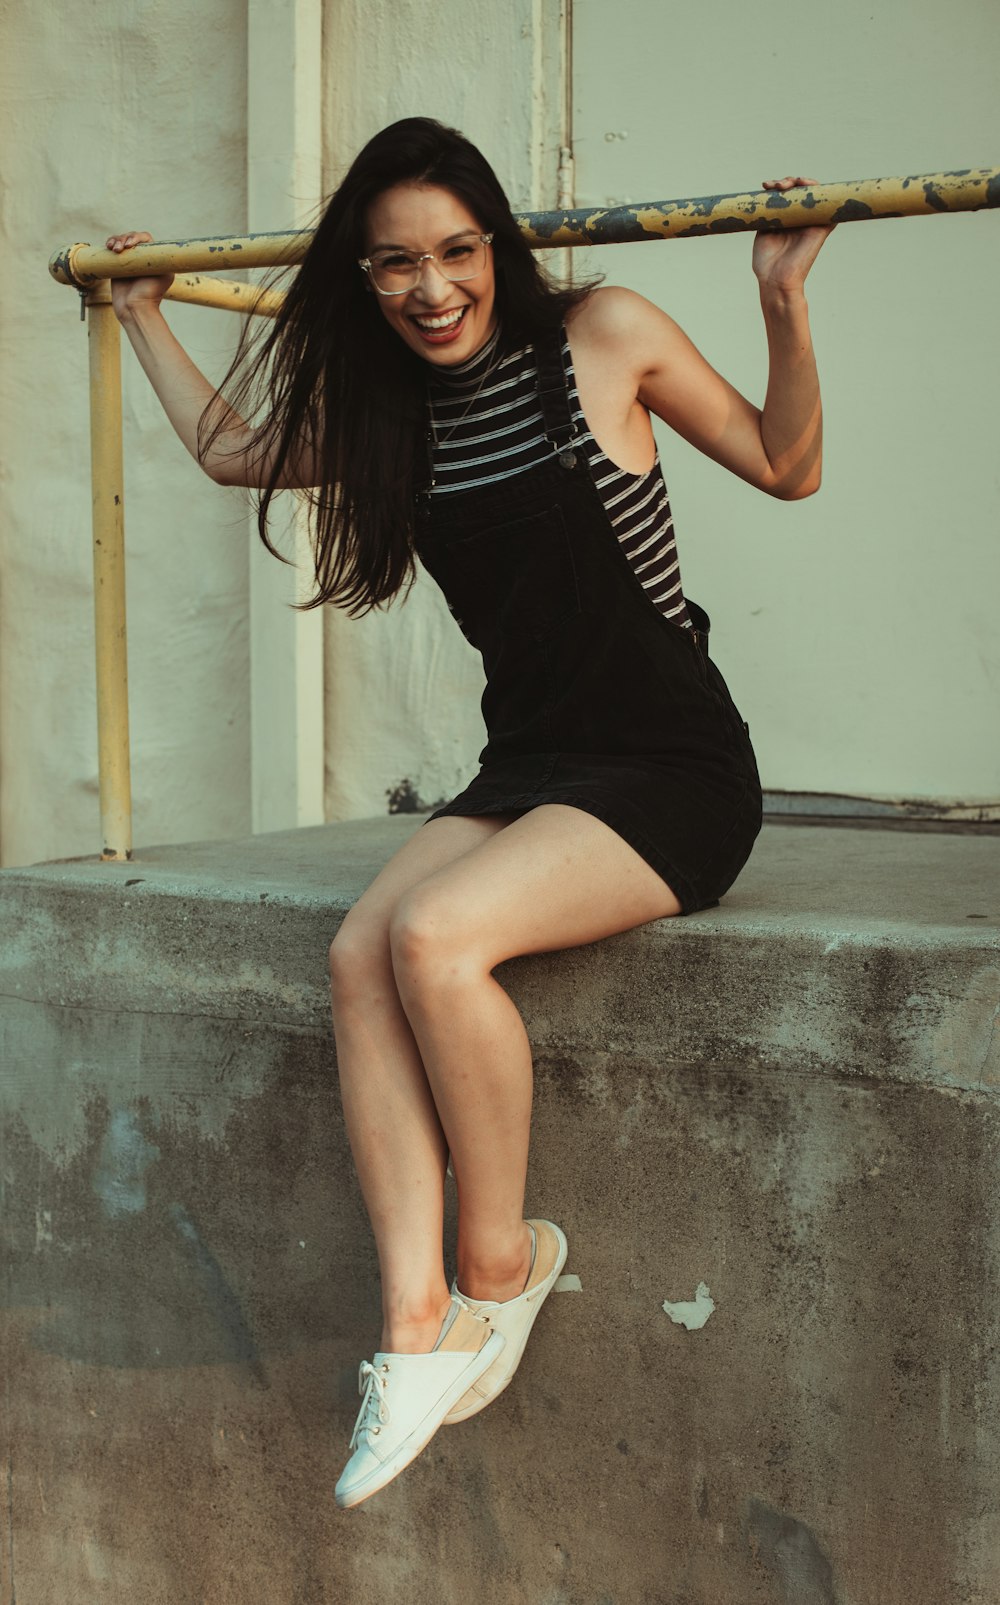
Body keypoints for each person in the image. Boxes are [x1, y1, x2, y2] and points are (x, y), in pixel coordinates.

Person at [106, 116, 830, 1510]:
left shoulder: (605, 336)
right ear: (363, 280)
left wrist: (783, 299)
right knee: (354, 955)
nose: (430, 289)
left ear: (496, 242)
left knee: (436, 939)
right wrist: (143, 314)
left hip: (671, 765)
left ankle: (503, 1265)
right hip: (536, 761)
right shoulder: (387, 414)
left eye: (454, 252)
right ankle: (414, 1327)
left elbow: (788, 465)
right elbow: (234, 453)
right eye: (394, 266)